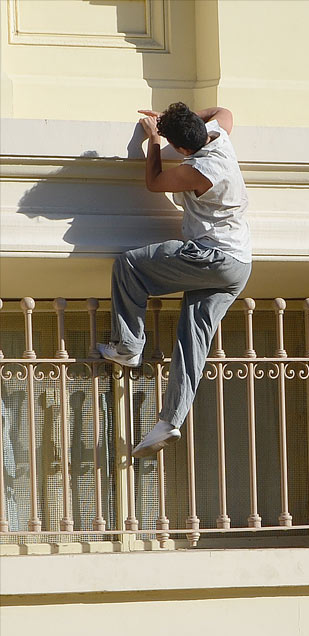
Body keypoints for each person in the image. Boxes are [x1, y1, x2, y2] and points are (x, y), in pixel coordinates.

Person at [98, 103, 252, 457]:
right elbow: (223, 109)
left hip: (212, 257)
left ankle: (128, 347)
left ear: (182, 150)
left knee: (129, 266)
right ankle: (169, 422)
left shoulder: (199, 169)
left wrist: (152, 140)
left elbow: (154, 182)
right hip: (240, 263)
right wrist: (175, 121)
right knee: (191, 341)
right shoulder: (221, 137)